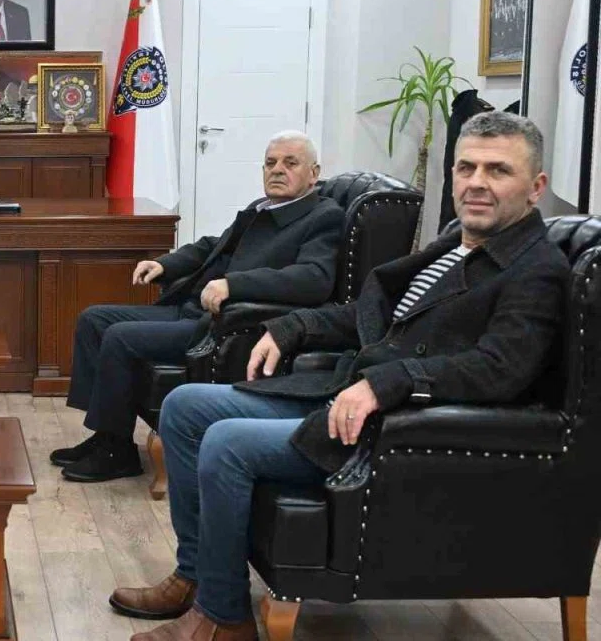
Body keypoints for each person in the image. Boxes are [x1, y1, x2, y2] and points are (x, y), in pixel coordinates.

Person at [113, 112, 569, 641]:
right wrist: (293, 326)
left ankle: (223, 619)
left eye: (498, 170)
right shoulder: (456, 244)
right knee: (185, 406)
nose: (477, 183)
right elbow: (370, 316)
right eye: (466, 168)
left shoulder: (535, 268)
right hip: (343, 391)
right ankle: (195, 575)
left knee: (226, 441)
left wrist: (388, 382)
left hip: (391, 425)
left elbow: (500, 369)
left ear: (536, 187)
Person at [52, 131, 343, 483]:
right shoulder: (262, 208)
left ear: (314, 173)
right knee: (94, 319)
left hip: (224, 325)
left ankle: (116, 453)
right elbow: (212, 245)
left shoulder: (323, 216)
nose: (277, 170)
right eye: (270, 163)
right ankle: (107, 436)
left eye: (290, 163)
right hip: (192, 307)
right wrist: (165, 264)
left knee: (120, 336)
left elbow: (314, 278)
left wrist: (233, 284)